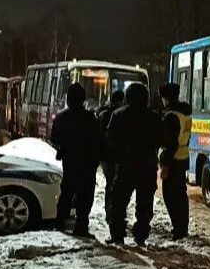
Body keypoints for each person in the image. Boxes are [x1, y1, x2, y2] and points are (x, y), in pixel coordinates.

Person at [106, 82, 161, 246]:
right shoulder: (154, 117)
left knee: (118, 203)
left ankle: (117, 236)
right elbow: (160, 139)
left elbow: (111, 139)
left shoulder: (118, 115)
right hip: (147, 167)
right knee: (144, 205)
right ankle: (141, 236)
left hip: (125, 166)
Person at [49, 83, 102, 237]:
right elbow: (97, 140)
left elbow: (54, 139)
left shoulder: (61, 117)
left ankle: (60, 222)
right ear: (83, 99)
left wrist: (64, 147)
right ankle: (81, 227)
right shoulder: (90, 118)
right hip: (87, 164)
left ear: (68, 99)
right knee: (85, 197)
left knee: (66, 193)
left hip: (70, 162)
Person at [159, 82, 192, 240]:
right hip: (183, 157)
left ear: (167, 98)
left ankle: (178, 229)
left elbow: (170, 142)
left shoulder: (171, 116)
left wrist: (165, 164)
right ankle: (182, 228)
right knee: (181, 195)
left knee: (170, 196)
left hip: (172, 160)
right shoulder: (185, 113)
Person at [95, 89, 125, 220]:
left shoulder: (103, 113)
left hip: (107, 155)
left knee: (112, 183)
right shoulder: (111, 115)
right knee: (113, 183)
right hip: (110, 156)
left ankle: (111, 211)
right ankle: (111, 211)